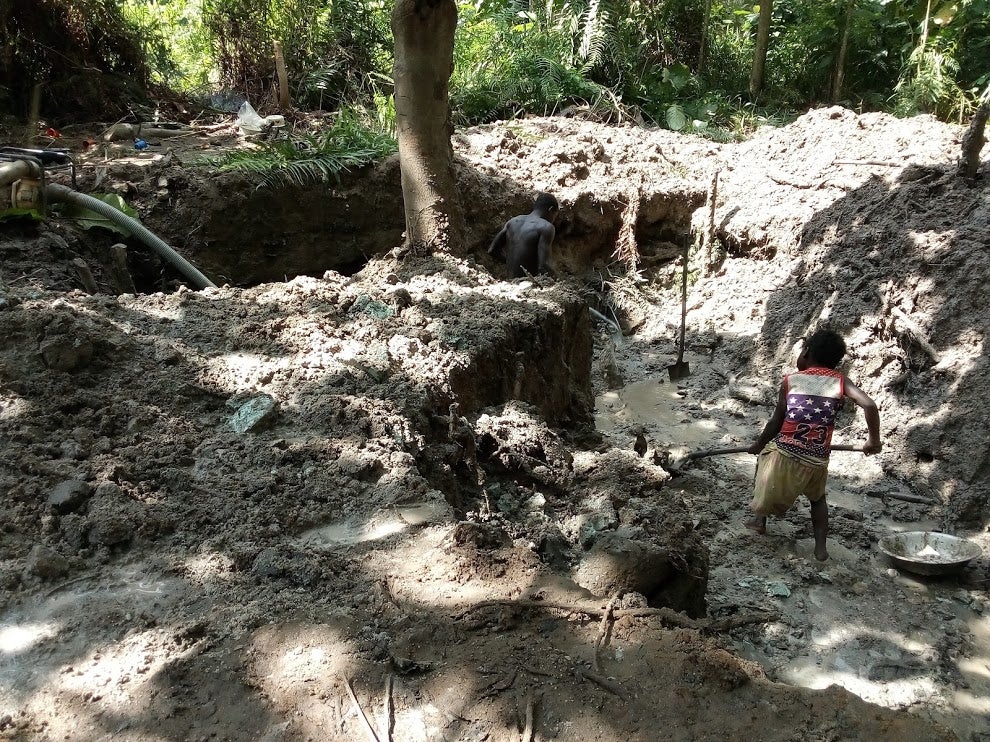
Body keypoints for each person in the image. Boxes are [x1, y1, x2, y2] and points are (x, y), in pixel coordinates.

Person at [745, 329, 882, 561]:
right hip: (818, 458)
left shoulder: (791, 380)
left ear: (806, 352)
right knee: (818, 500)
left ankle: (759, 519)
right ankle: (820, 548)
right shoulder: (840, 381)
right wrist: (874, 440)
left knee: (764, 459)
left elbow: (777, 421)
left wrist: (759, 444)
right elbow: (869, 405)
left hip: (786, 453)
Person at [488, 192, 559, 278]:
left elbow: (492, 250)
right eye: (555, 215)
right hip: (528, 283)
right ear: (551, 210)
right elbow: (543, 265)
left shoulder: (512, 222)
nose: (553, 220)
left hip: (510, 282)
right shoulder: (546, 227)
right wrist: (557, 278)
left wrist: (511, 262)